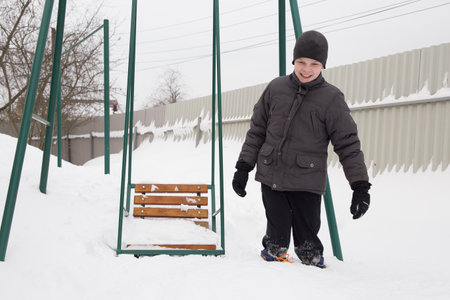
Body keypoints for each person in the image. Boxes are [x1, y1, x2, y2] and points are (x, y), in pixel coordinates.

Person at [232, 30, 371, 268]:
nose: (306, 69)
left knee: (308, 246)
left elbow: (347, 143)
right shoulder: (275, 89)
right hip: (272, 175)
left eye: (314, 64)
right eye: (301, 62)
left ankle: (312, 279)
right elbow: (257, 131)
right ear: (294, 61)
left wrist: (359, 186)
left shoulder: (331, 98)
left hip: (306, 180)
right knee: (275, 241)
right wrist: (244, 167)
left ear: (323, 65)